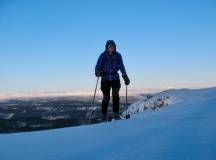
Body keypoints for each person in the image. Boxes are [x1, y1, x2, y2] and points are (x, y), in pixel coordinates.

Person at [95, 40, 130, 119]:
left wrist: (125, 76)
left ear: (115, 47)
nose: (111, 48)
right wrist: (97, 72)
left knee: (115, 95)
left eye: (112, 46)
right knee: (106, 97)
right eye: (109, 46)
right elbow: (98, 65)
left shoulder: (118, 55)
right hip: (105, 78)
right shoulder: (103, 55)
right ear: (106, 47)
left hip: (115, 79)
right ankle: (104, 115)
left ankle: (116, 114)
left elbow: (121, 66)